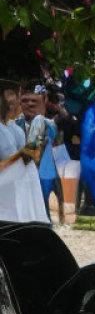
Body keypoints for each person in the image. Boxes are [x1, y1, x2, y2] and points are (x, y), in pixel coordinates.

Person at [0, 89, 49, 223]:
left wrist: (33, 153)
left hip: (21, 190)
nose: (16, 106)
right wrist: (20, 155)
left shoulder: (14, 128)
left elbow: (30, 159)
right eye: (10, 103)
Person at [18, 85, 64, 223]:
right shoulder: (48, 123)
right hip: (46, 169)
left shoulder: (42, 122)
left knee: (40, 202)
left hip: (42, 169)